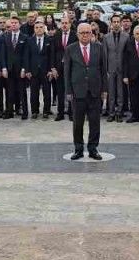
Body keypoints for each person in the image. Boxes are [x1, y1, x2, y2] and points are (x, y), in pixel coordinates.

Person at [62, 22, 107, 160]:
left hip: (95, 91)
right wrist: (68, 91)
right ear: (77, 34)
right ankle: (78, 149)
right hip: (77, 91)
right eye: (82, 33)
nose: (85, 35)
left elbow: (103, 70)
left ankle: (93, 149)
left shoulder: (99, 48)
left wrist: (104, 89)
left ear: (91, 34)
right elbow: (67, 72)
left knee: (95, 122)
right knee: (77, 123)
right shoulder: (70, 49)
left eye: (88, 32)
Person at [23, 20, 55, 120]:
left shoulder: (49, 40)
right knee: (34, 93)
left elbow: (51, 56)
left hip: (46, 71)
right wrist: (27, 70)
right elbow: (26, 56)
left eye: (41, 27)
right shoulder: (29, 40)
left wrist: (51, 69)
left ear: (44, 28)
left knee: (47, 93)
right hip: (33, 71)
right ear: (34, 29)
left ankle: (46, 111)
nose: (39, 29)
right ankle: (34, 111)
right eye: (36, 28)